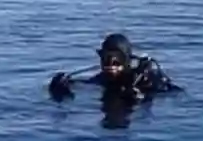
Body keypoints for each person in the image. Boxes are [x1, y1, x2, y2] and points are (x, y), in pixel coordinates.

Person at [48, 33, 181, 105]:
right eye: (106, 59)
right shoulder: (103, 78)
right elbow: (85, 85)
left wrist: (142, 98)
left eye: (117, 60)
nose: (111, 65)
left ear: (127, 60)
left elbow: (175, 94)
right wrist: (61, 85)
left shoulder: (146, 78)